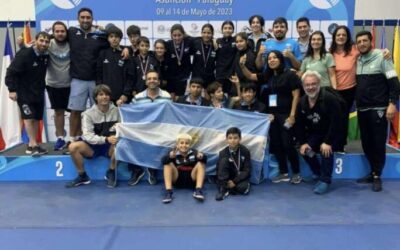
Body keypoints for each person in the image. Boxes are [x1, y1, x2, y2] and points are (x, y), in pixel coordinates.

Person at [240, 50, 301, 184]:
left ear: (280, 59)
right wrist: (242, 66)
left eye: (275, 58)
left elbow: (296, 95)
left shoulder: (290, 74)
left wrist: (292, 115)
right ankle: (284, 172)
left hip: (286, 115)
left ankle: (296, 172)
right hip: (272, 116)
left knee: (288, 144)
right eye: (269, 59)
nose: (272, 60)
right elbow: (250, 76)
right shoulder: (269, 76)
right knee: (277, 144)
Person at [355, 30, 400, 192]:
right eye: (359, 41)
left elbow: (394, 83)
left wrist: (392, 104)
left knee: (378, 144)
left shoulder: (383, 57)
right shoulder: (358, 59)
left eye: (364, 41)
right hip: (362, 109)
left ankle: (377, 176)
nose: (361, 44)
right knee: (366, 143)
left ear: (371, 41)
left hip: (379, 109)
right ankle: (373, 172)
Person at [65, 84, 120, 188]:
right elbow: (87, 136)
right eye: (101, 94)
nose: (104, 97)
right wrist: (105, 139)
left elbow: (122, 129)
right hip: (92, 147)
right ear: (95, 97)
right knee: (72, 147)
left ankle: (111, 172)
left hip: (109, 146)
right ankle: (82, 176)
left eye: (107, 94)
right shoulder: (88, 114)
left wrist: (115, 137)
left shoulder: (117, 111)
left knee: (121, 144)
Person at [296, 71, 342, 194]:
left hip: (332, 133)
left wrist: (328, 142)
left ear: (319, 84)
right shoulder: (302, 102)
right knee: (305, 151)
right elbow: (299, 125)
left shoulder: (329, 99)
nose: (310, 87)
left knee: (326, 150)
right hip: (316, 133)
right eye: (307, 85)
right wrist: (303, 142)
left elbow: (337, 123)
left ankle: (325, 180)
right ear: (303, 86)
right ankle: (318, 172)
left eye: (313, 84)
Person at [5, 31, 51, 156]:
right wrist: (12, 89)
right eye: (41, 40)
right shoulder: (25, 54)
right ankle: (33, 144)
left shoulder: (45, 55)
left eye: (47, 41)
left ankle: (32, 144)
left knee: (36, 118)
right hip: (24, 92)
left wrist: (22, 44)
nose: (44, 43)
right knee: (28, 117)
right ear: (35, 41)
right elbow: (11, 71)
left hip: (38, 92)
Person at [128, 70, 172, 186]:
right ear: (146, 81)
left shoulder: (166, 96)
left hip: (160, 130)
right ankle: (136, 170)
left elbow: (170, 115)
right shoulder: (138, 98)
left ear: (158, 81)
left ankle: (152, 169)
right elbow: (131, 115)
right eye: (149, 79)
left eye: (154, 78)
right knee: (129, 141)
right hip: (142, 130)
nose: (152, 81)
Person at [46, 21, 71, 151]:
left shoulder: (71, 43)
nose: (60, 34)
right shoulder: (47, 44)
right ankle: (60, 138)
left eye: (62, 31)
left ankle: (75, 138)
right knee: (59, 112)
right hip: (53, 85)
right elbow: (32, 49)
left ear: (66, 32)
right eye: (57, 31)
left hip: (71, 84)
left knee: (76, 113)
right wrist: (21, 44)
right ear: (53, 32)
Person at [161, 133, 207, 203]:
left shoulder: (195, 152)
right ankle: (168, 192)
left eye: (187, 143)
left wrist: (202, 157)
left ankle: (198, 190)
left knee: (201, 163)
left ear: (190, 145)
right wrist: (169, 157)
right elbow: (163, 161)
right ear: (177, 144)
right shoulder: (173, 152)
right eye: (181, 143)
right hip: (177, 179)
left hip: (191, 179)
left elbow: (205, 159)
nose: (184, 145)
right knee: (167, 164)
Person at [96, 25, 134, 105]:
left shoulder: (125, 54)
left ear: (120, 38)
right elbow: (98, 75)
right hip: (105, 96)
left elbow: (130, 77)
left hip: (122, 97)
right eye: (111, 36)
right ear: (108, 38)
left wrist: (125, 94)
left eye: (116, 37)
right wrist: (101, 92)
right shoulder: (103, 53)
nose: (114, 39)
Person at [215, 127, 251, 201]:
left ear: (240, 139)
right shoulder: (223, 152)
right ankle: (223, 189)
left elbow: (247, 170)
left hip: (239, 178)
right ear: (227, 139)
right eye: (230, 138)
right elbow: (219, 169)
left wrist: (235, 181)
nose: (233, 140)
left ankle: (230, 188)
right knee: (224, 161)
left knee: (243, 188)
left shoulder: (245, 151)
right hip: (227, 177)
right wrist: (225, 181)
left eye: (235, 138)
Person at [165, 24, 193, 98]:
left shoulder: (188, 42)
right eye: (174, 35)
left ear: (183, 34)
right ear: (171, 35)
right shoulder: (168, 44)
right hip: (170, 77)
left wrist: (213, 39)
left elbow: (199, 40)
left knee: (179, 99)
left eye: (179, 35)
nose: (177, 38)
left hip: (183, 77)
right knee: (170, 99)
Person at [191, 24, 216, 88]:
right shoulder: (195, 42)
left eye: (209, 33)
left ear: (212, 34)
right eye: (204, 32)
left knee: (209, 97)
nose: (206, 35)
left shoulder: (215, 45)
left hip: (210, 78)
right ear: (201, 33)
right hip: (196, 78)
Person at [215, 21, 237, 95]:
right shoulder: (217, 41)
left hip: (232, 75)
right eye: (225, 28)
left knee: (232, 97)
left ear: (233, 30)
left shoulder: (236, 40)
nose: (227, 30)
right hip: (220, 74)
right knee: (219, 95)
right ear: (222, 30)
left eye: (230, 28)